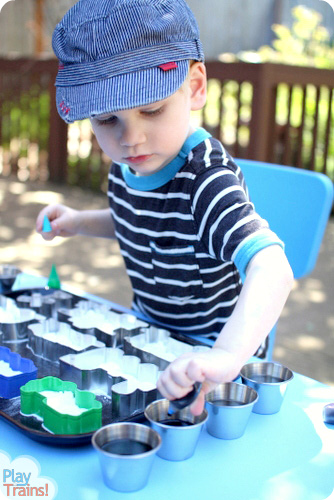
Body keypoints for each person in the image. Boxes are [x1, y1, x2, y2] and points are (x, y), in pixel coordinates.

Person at [36, 0, 293, 415]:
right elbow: (137, 220)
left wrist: (225, 357)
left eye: (151, 109)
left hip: (211, 360)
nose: (130, 137)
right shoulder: (129, 165)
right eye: (106, 120)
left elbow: (273, 268)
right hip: (153, 338)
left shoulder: (205, 180)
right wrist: (81, 222)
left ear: (193, 88)